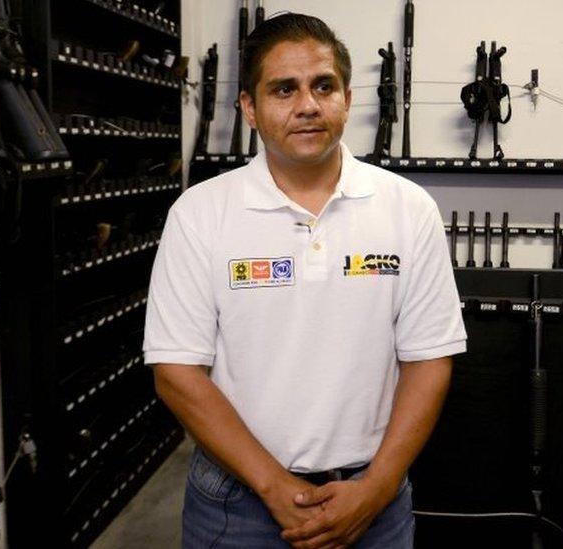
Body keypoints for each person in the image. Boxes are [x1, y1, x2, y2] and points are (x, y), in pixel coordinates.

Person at [143, 12, 466, 549]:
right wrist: (274, 487)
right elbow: (176, 371)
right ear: (249, 107)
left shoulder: (408, 208)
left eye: (323, 86)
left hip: (374, 501)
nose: (308, 105)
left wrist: (378, 486)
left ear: (346, 97)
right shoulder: (200, 213)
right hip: (237, 504)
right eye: (283, 89)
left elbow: (429, 359)